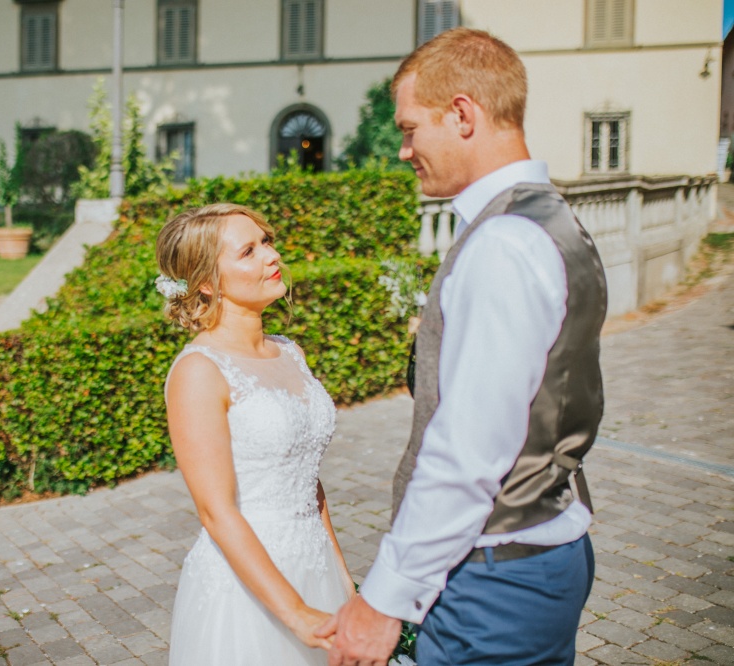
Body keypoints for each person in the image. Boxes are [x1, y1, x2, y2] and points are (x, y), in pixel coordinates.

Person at [318, 28, 606, 665]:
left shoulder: (503, 243)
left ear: (463, 114)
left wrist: (385, 599)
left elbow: (468, 449)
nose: (402, 149)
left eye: (411, 128)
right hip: (544, 551)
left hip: (494, 580)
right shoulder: (551, 219)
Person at [157, 203, 355, 665]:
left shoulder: (291, 353)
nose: (272, 256)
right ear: (207, 282)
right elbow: (215, 511)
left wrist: (342, 576)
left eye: (266, 242)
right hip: (245, 586)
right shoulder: (199, 371)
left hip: (317, 565)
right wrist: (297, 613)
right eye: (249, 250)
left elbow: (307, 478)